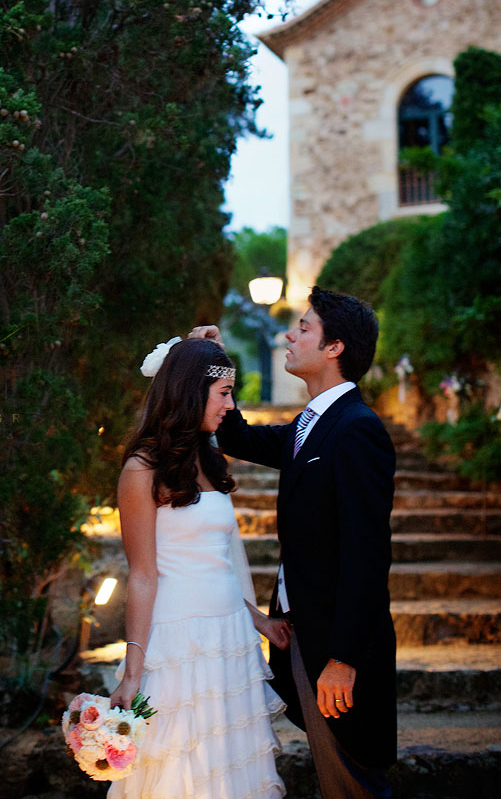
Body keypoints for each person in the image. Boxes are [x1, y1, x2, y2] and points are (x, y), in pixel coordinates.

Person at [191, 286, 397, 799]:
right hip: (302, 630)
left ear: (334, 348)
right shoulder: (312, 423)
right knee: (336, 775)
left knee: (354, 780)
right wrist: (215, 368)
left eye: (304, 327)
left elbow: (367, 555)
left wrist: (344, 659)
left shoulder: (357, 430)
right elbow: (238, 438)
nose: (290, 333)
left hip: (337, 647)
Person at [108, 337, 288, 799]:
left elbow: (217, 562)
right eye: (224, 393)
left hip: (229, 638)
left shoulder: (209, 458)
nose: (231, 404)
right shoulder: (141, 470)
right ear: (190, 392)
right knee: (181, 770)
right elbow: (144, 575)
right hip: (179, 642)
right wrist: (132, 672)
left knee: (230, 772)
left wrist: (259, 621)